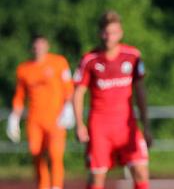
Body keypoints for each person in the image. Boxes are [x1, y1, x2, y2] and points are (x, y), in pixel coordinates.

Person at [73, 11, 151, 189]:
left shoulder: (132, 56)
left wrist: (146, 125)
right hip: (100, 127)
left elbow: (140, 92)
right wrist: (79, 124)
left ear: (121, 33)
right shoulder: (89, 60)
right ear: (101, 33)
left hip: (127, 125)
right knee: (97, 178)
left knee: (141, 172)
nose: (110, 37)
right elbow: (78, 93)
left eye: (114, 32)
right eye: (106, 32)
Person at [7, 35, 74, 189]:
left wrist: (69, 107)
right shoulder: (23, 69)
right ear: (32, 48)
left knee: (55, 154)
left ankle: (57, 186)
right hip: (34, 120)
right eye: (36, 46)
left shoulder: (59, 62)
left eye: (42, 46)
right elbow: (19, 96)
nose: (39, 49)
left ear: (47, 46)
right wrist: (14, 118)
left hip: (56, 118)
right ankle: (42, 186)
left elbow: (69, 87)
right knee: (36, 154)